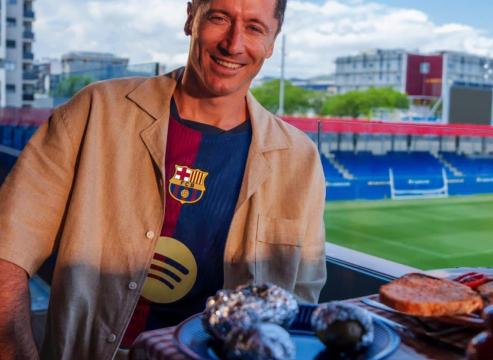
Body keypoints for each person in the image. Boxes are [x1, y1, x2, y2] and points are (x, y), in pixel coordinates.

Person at [0, 0, 326, 358]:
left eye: (254, 27)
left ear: (271, 41)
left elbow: (300, 301)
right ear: (191, 18)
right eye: (219, 18)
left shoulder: (300, 160)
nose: (233, 44)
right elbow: (6, 254)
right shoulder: (94, 112)